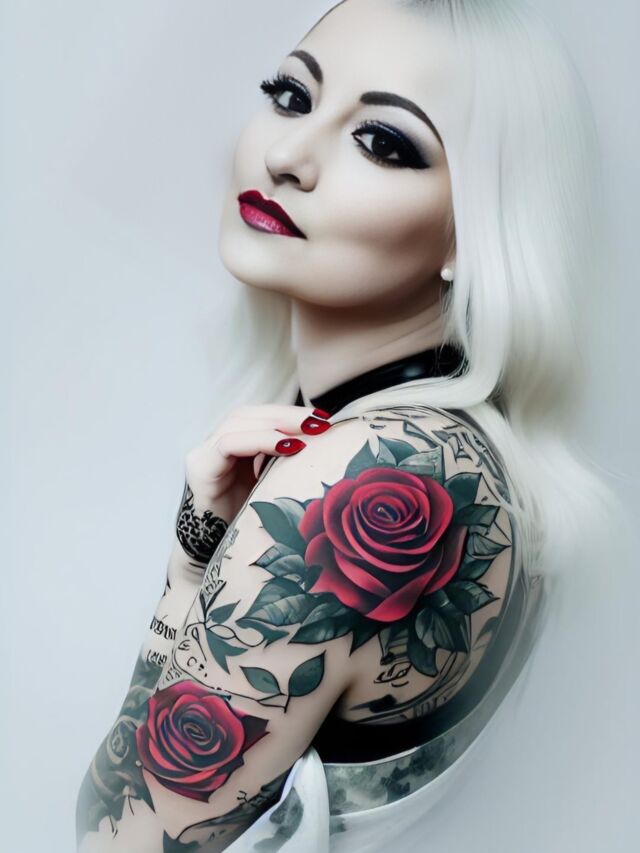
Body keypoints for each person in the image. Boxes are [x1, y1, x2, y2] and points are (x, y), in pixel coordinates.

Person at [75, 0, 636, 851]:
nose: (287, 155)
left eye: (381, 142)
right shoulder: (471, 451)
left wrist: (189, 572)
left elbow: (117, 836)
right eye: (291, 97)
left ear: (475, 228)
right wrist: (199, 553)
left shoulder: (367, 471)